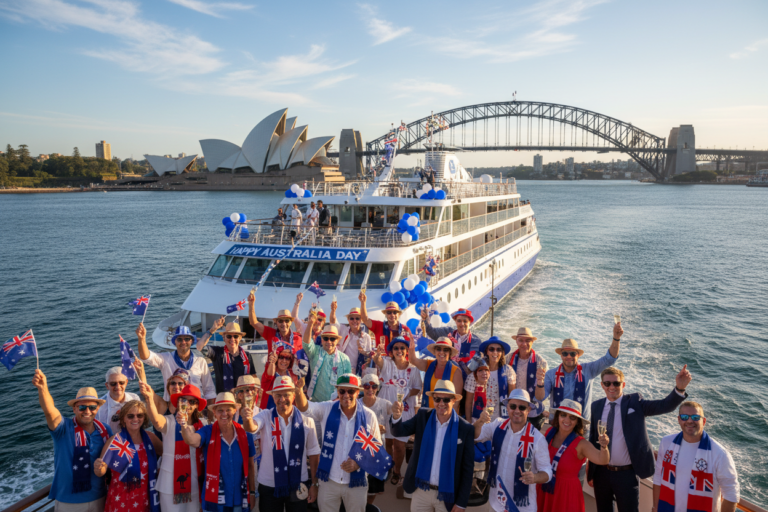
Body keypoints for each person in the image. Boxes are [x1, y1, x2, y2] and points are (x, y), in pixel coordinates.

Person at [587, 365, 692, 512]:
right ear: (602, 385)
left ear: (623, 385)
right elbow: (593, 439)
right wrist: (591, 472)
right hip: (601, 473)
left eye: (616, 383)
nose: (612, 387)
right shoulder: (596, 406)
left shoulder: (635, 403)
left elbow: (664, 406)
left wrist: (679, 389)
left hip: (626, 474)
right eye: (607, 383)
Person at [294, 374, 382, 512]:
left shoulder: (369, 416)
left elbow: (376, 451)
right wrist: (299, 391)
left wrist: (359, 463)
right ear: (338, 392)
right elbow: (304, 407)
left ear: (358, 392)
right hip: (329, 481)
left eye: (351, 391)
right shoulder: (327, 409)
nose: (346, 395)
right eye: (342, 391)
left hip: (356, 484)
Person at [32, 370, 113, 511]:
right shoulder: (63, 429)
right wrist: (43, 388)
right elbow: (49, 410)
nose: (87, 410)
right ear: (74, 408)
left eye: (92, 407)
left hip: (101, 497)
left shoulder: (105, 430)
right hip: (69, 502)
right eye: (82, 407)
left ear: (98, 408)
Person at [390, 379, 475, 512]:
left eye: (446, 400)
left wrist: (461, 503)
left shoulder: (465, 428)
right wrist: (396, 416)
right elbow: (398, 431)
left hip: (447, 495)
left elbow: (467, 469)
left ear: (454, 400)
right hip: (421, 490)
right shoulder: (423, 416)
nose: (441, 403)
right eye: (437, 399)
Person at [249, 375, 320, 512]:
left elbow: (313, 454)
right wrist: (247, 419)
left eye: (286, 395)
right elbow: (252, 427)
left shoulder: (307, 421)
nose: (282, 399)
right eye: (278, 395)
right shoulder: (265, 415)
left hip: (298, 482)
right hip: (269, 484)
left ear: (294, 395)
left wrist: (315, 484)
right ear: (273, 397)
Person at [473, 389, 553, 512]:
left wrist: (535, 477)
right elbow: (476, 436)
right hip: (496, 503)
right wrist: (480, 421)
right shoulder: (497, 425)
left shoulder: (538, 439)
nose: (517, 411)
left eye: (522, 407)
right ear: (507, 407)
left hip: (521, 508)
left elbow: (547, 472)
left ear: (528, 410)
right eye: (513, 406)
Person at [653, 401, 739, 512]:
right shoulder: (666, 443)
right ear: (679, 420)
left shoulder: (720, 454)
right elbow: (658, 478)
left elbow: (731, 495)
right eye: (684, 417)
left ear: (704, 421)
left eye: (695, 417)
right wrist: (655, 507)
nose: (689, 421)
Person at [180, 392, 257, 512]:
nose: (224, 414)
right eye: (220, 410)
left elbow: (251, 466)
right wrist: (183, 425)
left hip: (239, 499)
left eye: (228, 410)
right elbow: (192, 440)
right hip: (214, 501)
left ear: (235, 411)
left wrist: (252, 493)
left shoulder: (246, 435)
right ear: (214, 412)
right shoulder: (207, 431)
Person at [140, 381, 208, 511]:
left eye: (192, 402)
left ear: (196, 406)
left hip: (195, 483)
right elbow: (156, 420)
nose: (187, 404)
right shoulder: (169, 421)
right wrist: (149, 399)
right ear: (178, 403)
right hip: (170, 485)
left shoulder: (203, 425)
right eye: (184, 400)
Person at [535, 323, 624, 421]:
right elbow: (540, 398)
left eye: (572, 353)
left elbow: (609, 359)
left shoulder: (589, 370)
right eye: (565, 353)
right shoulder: (551, 374)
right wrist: (540, 384)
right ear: (561, 355)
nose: (569, 356)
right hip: (557, 424)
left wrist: (616, 338)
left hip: (580, 425)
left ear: (578, 355)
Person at [536, 400, 610, 512]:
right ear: (557, 416)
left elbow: (602, 460)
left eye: (572, 417)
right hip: (544, 488)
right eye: (563, 415)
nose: (567, 420)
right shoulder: (549, 432)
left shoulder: (581, 443)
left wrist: (604, 447)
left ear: (577, 422)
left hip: (566, 495)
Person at [94, 400, 163, 512]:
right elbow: (101, 471)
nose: (135, 419)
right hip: (120, 498)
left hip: (145, 498)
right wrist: (98, 467)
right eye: (130, 416)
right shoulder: (115, 441)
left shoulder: (151, 438)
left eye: (139, 415)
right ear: (123, 419)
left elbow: (167, 454)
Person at [372, 337, 422, 486]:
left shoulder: (413, 369)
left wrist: (405, 395)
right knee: (387, 440)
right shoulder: (386, 363)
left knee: (399, 445)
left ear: (406, 351)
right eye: (396, 348)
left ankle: (397, 471)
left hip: (404, 408)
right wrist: (377, 354)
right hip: (386, 406)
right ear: (392, 352)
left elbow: (417, 388)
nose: (399, 350)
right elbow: (377, 361)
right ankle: (388, 467)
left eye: (402, 348)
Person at [137, 323, 216, 402]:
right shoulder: (166, 359)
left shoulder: (200, 361)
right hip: (171, 407)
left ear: (191, 341)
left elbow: (209, 390)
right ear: (175, 341)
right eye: (179, 339)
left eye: (187, 339)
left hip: (194, 406)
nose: (183, 342)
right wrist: (142, 339)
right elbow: (146, 357)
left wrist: (208, 412)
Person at [357, 374, 391, 504]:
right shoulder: (356, 404)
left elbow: (396, 418)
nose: (370, 389)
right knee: (357, 488)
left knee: (372, 492)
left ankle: (367, 507)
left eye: (374, 386)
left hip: (376, 452)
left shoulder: (384, 403)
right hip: (359, 451)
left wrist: (397, 411)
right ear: (362, 387)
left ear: (378, 388)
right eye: (366, 386)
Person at [196, 320, 257, 393]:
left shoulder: (247, 356)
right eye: (229, 336)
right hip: (224, 400)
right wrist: (212, 330)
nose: (232, 339)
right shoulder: (217, 353)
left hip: (242, 398)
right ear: (224, 338)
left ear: (240, 338)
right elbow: (199, 347)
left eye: (235, 336)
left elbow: (253, 377)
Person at [464, 336, 515, 423]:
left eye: (498, 349)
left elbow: (512, 398)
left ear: (502, 352)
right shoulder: (476, 374)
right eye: (491, 349)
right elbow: (468, 402)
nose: (495, 352)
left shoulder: (508, 371)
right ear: (487, 352)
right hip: (479, 421)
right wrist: (468, 422)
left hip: (501, 421)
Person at [301, 317, 352, 402]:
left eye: (332, 339)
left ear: (337, 341)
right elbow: (306, 344)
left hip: (337, 404)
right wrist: (310, 324)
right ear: (322, 340)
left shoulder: (345, 359)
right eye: (326, 338)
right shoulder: (315, 352)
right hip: (317, 403)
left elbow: (348, 382)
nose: (329, 341)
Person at [409, 336, 463, 413]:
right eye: (438, 349)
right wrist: (411, 347)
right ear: (434, 352)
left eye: (445, 350)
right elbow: (413, 360)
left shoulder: (456, 371)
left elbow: (456, 402)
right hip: (428, 414)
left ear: (450, 353)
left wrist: (448, 421)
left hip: (446, 415)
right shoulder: (428, 364)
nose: (441, 352)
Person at [509, 327, 548, 430]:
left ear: (532, 342)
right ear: (516, 341)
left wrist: (540, 382)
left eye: (528, 340)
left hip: (533, 410)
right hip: (514, 409)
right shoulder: (508, 359)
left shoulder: (541, 363)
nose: (524, 344)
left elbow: (541, 396)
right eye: (521, 340)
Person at [329, 303, 373, 375]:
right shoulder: (343, 330)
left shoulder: (366, 337)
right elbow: (333, 322)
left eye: (357, 318)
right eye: (352, 318)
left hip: (358, 372)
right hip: (342, 369)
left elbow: (368, 358)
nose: (354, 321)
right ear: (348, 320)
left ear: (361, 320)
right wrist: (333, 311)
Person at [96, 366, 141, 434]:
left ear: (126, 382)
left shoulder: (134, 398)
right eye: (113, 384)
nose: (118, 386)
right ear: (107, 385)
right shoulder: (99, 405)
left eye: (121, 383)